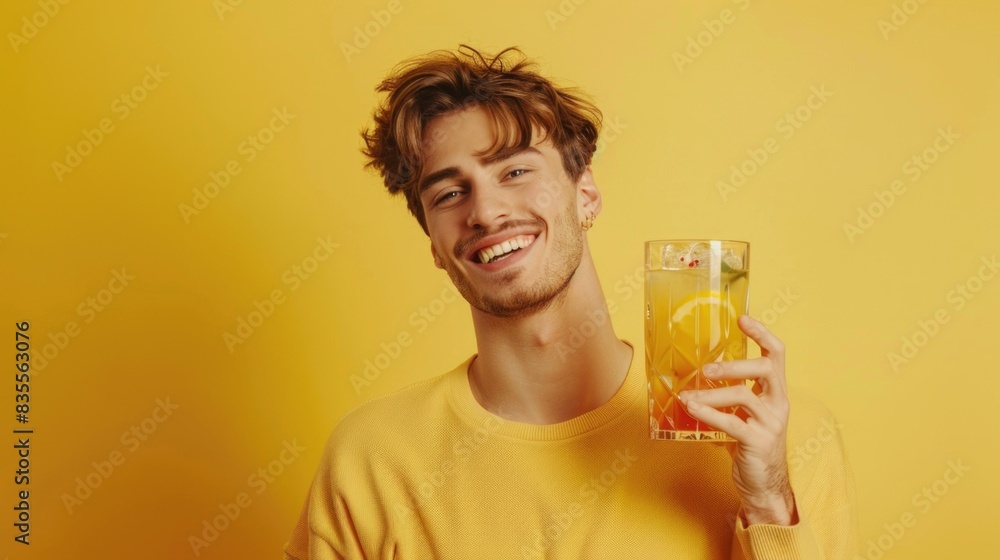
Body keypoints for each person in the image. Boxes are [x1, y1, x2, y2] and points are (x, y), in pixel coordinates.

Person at [284, 45, 858, 559]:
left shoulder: (775, 441)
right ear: (434, 243)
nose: (485, 212)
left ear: (586, 194)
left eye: (514, 170)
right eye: (451, 193)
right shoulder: (371, 460)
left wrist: (769, 505)